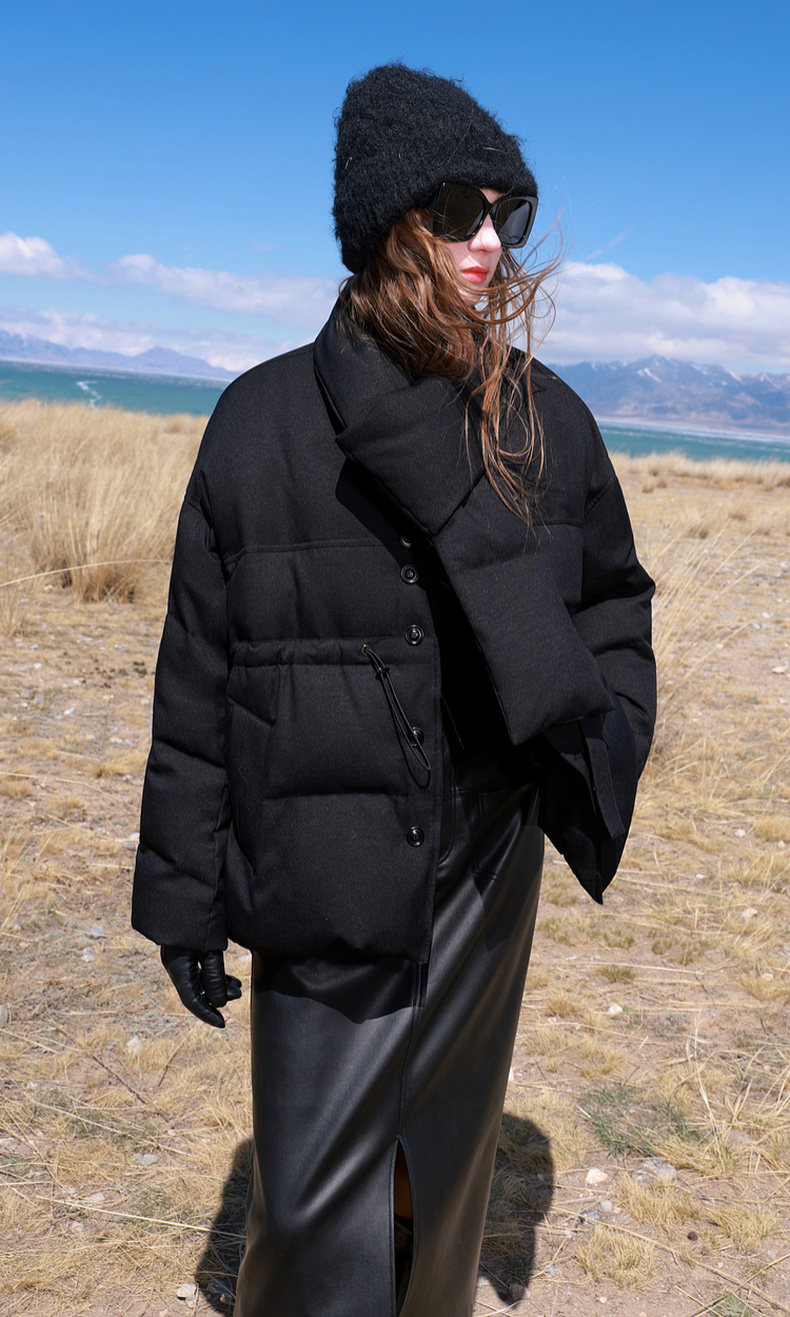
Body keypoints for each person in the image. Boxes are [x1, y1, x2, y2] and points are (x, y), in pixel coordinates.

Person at [132, 63, 656, 1317]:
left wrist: (600, 737)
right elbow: (197, 679)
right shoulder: (259, 423)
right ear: (386, 220)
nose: (491, 242)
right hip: (318, 860)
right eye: (459, 211)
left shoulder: (544, 421)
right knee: (314, 1204)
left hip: (484, 866)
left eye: (506, 214)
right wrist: (183, 898)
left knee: (444, 1172)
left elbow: (614, 607)